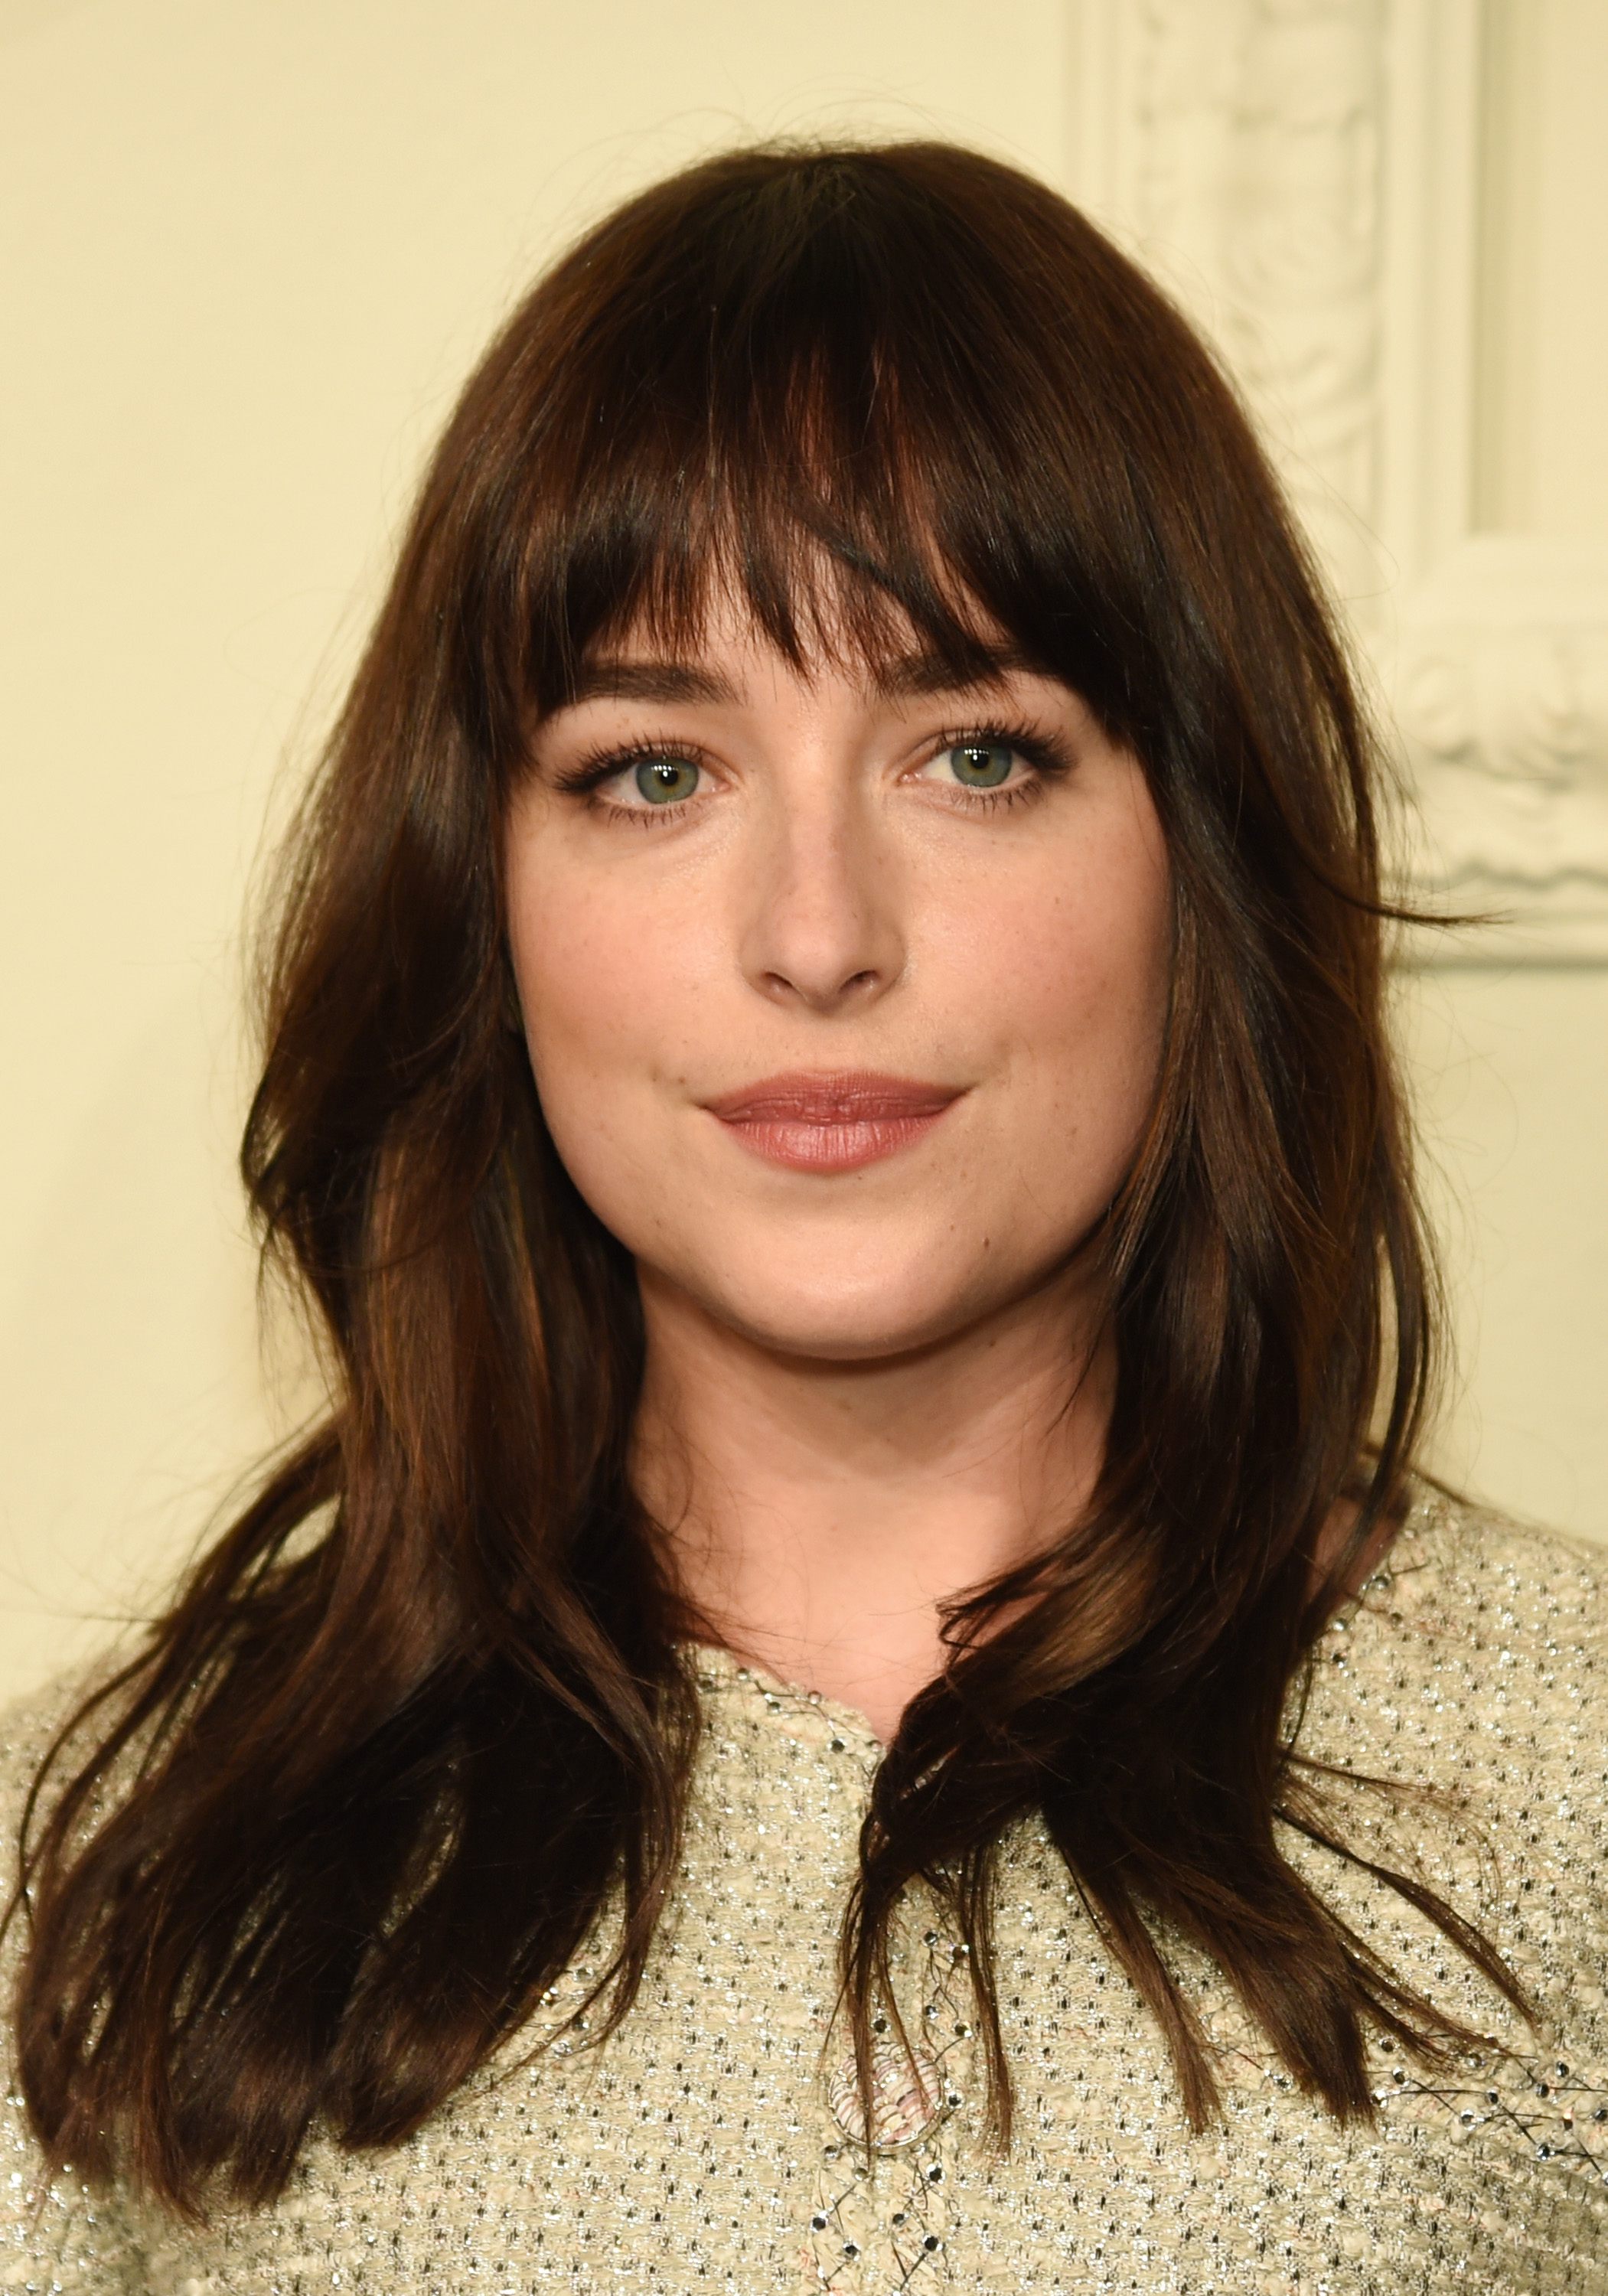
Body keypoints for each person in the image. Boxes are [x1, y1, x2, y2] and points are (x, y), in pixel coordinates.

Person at [2, 139, 1604, 2293]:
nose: (820, 933)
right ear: (481, 895)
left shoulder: (1578, 1776)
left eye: (978, 754)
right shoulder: (94, 1878)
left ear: (1200, 859)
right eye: (655, 772)